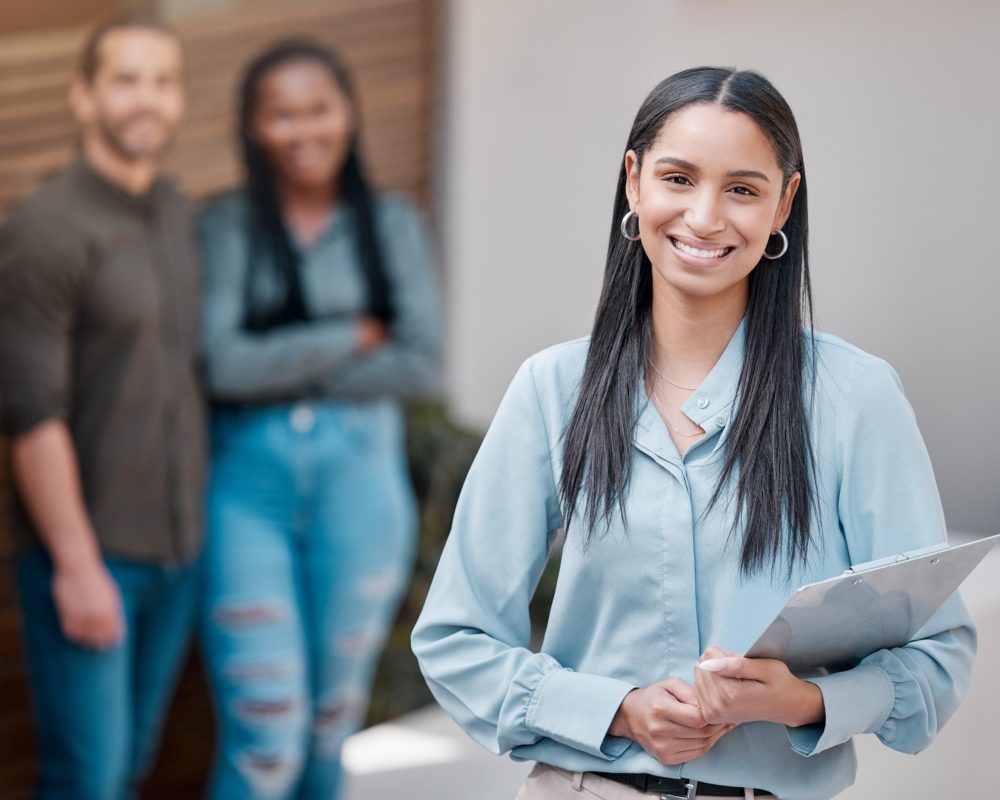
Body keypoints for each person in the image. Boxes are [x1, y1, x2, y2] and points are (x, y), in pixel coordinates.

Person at [411, 67, 976, 800]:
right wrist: (616, 710)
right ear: (633, 182)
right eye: (678, 178)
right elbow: (456, 640)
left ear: (785, 204)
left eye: (741, 189)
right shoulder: (552, 391)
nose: (705, 218)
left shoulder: (854, 399)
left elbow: (938, 659)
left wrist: (799, 701)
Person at [196, 39, 442, 800]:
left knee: (330, 726)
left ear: (349, 113)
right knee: (265, 734)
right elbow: (222, 366)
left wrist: (279, 355)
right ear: (252, 128)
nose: (305, 129)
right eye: (282, 114)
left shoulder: (394, 223)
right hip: (247, 492)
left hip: (361, 491)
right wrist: (349, 334)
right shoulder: (226, 226)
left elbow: (417, 364)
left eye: (320, 108)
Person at [0, 15, 205, 800]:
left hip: (178, 551)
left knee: (125, 768)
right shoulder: (43, 230)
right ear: (83, 96)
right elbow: (30, 415)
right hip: (92, 557)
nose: (145, 98)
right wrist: (79, 567)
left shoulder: (178, 214)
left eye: (162, 80)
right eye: (125, 79)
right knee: (84, 779)